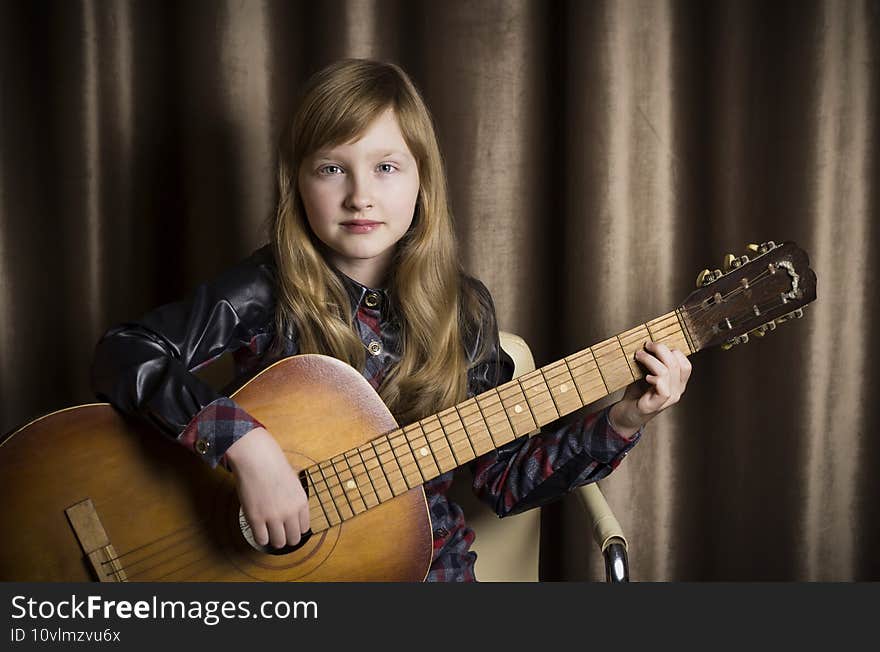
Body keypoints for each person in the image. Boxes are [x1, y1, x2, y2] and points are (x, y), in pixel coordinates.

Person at [91, 58, 692, 582]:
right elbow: (124, 351)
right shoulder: (265, 288)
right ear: (296, 183)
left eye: (386, 167)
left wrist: (623, 417)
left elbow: (503, 482)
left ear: (422, 181)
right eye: (331, 168)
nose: (360, 196)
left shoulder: (465, 312)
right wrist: (246, 446)